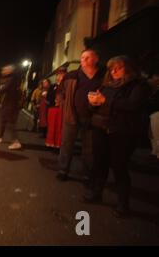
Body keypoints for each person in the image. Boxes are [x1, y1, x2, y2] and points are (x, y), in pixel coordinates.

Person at [84, 56, 150, 218]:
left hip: (121, 132)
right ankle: (96, 192)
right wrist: (92, 103)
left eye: (118, 68)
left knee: (119, 166)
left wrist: (106, 101)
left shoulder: (137, 85)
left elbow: (132, 105)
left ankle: (123, 203)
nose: (113, 71)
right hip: (100, 129)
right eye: (111, 68)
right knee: (100, 163)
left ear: (127, 68)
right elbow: (95, 106)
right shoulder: (106, 85)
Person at [56, 49, 104, 182]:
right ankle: (62, 170)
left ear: (96, 59)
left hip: (92, 118)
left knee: (89, 149)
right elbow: (60, 91)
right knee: (66, 145)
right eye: (82, 57)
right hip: (72, 115)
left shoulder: (103, 77)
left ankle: (87, 174)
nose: (84, 60)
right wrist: (62, 103)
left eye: (88, 57)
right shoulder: (72, 75)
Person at [0, 65, 23, 150]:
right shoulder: (10, 78)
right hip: (7, 103)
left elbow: (5, 89)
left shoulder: (12, 79)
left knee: (10, 123)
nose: (3, 71)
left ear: (9, 71)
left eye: (4, 70)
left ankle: (15, 142)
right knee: (3, 119)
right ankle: (0, 137)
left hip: (11, 104)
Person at [45, 67, 67, 149]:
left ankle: (58, 144)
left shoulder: (66, 85)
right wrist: (54, 100)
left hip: (62, 109)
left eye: (62, 74)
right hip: (53, 108)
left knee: (60, 127)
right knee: (51, 126)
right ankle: (50, 143)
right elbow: (48, 98)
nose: (60, 77)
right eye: (58, 75)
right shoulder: (52, 86)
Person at [147, 72, 159, 160]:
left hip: (156, 114)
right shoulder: (152, 89)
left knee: (156, 134)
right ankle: (154, 152)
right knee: (152, 134)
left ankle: (156, 153)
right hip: (152, 114)